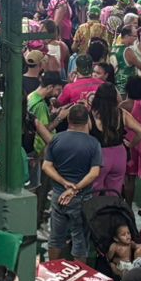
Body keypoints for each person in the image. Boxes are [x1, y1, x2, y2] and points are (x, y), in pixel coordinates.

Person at [44, 103, 103, 262]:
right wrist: (75, 188)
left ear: (68, 119)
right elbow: (94, 173)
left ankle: (52, 270)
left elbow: (46, 166)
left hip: (59, 196)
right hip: (82, 197)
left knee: (56, 237)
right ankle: (79, 277)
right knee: (80, 240)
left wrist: (64, 183)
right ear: (87, 121)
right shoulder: (93, 144)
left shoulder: (56, 139)